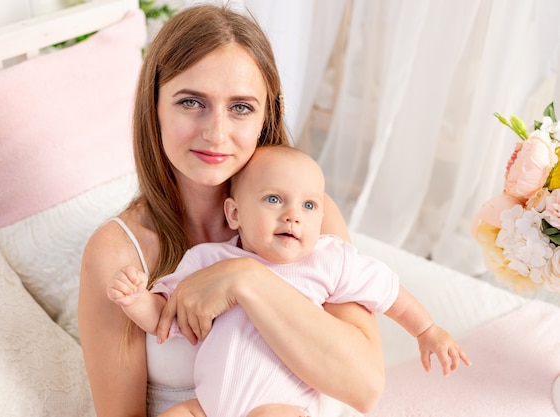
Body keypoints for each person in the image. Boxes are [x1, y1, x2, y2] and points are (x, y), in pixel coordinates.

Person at [78, 4, 385, 417]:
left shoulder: (311, 217)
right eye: (191, 102)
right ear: (154, 107)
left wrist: (243, 277)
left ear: (266, 115)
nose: (216, 133)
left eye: (240, 107)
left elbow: (363, 388)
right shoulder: (118, 253)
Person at [107, 145, 471, 417]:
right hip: (208, 406)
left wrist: (426, 330)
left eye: (308, 206)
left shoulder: (328, 260)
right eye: (274, 199)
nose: (293, 216)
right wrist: (136, 300)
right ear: (235, 213)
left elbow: (388, 292)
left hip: (278, 406)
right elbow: (165, 317)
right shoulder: (208, 259)